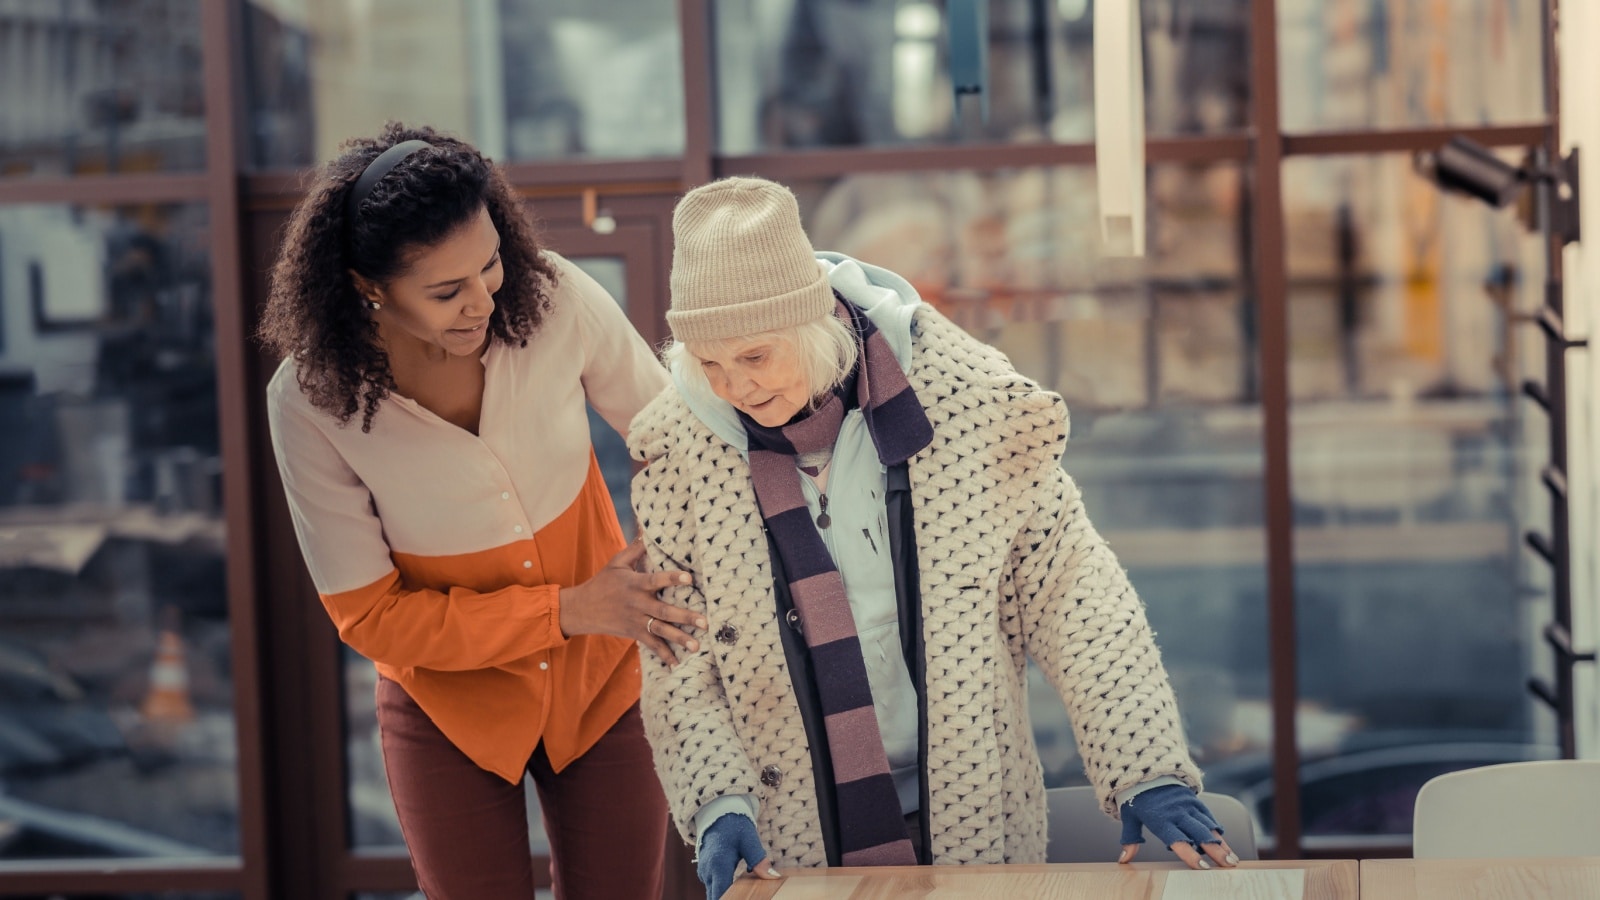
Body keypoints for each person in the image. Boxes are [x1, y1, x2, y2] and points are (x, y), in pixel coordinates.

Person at [628, 176, 1238, 899]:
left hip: (970, 799)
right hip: (786, 828)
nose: (734, 386)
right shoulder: (680, 453)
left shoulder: (970, 405)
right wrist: (717, 801)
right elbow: (678, 653)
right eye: (709, 364)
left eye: (756, 357)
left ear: (812, 324)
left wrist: (1147, 769)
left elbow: (1075, 593)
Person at [259, 123, 702, 900]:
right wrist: (566, 610)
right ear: (369, 285)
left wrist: (662, 567)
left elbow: (679, 445)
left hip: (602, 687)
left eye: (491, 263)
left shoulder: (556, 296)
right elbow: (371, 618)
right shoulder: (308, 404)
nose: (483, 301)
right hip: (446, 712)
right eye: (445, 291)